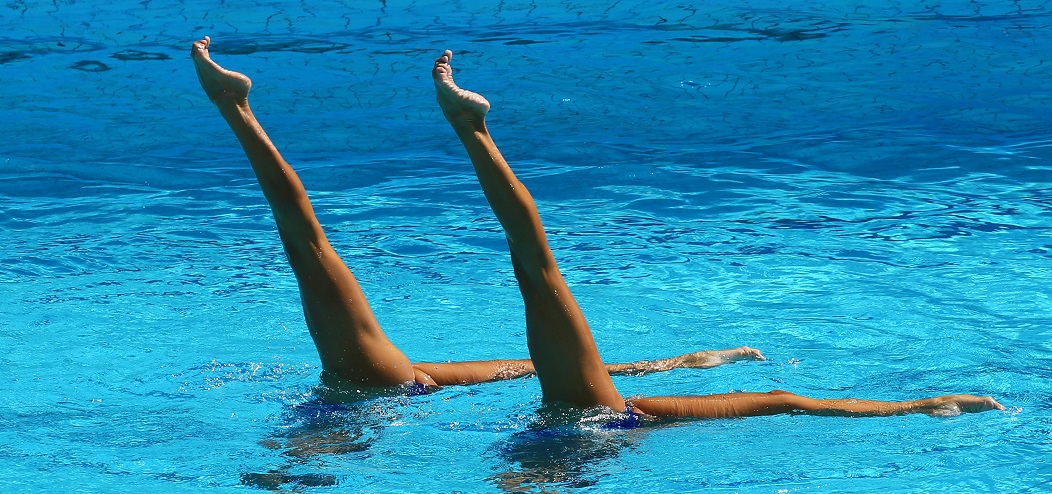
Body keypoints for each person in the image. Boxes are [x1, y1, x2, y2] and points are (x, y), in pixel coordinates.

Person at [431, 50, 1004, 420]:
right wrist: (915, 405)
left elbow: (781, 399)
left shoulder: (617, 421)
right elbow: (782, 400)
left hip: (587, 417)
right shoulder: (625, 419)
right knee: (534, 271)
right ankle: (472, 131)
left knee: (534, 270)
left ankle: (472, 132)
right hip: (600, 418)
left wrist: (919, 404)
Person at [190, 37, 764, 395]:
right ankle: (235, 108)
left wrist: (676, 363)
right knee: (308, 247)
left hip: (380, 383)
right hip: (386, 380)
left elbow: (529, 365)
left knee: (309, 245)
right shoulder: (619, 420)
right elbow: (528, 367)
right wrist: (672, 364)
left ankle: (236, 108)